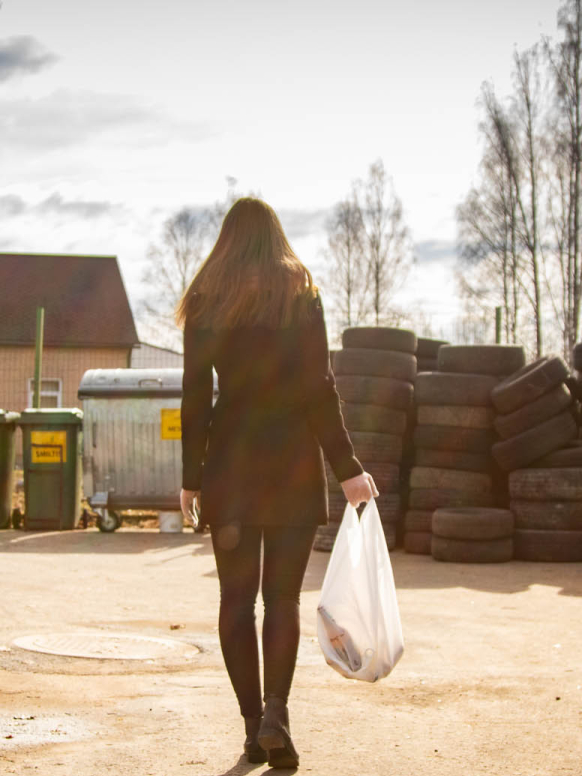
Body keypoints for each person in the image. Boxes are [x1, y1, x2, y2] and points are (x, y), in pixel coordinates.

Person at [177, 197, 377, 769]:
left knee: (236, 603)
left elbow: (194, 396)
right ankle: (276, 715)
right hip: (290, 465)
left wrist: (192, 480)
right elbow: (319, 387)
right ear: (275, 235)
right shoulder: (300, 291)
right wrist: (349, 470)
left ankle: (250, 730)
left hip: (232, 470)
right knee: (283, 598)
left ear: (227, 240)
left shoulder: (207, 296)